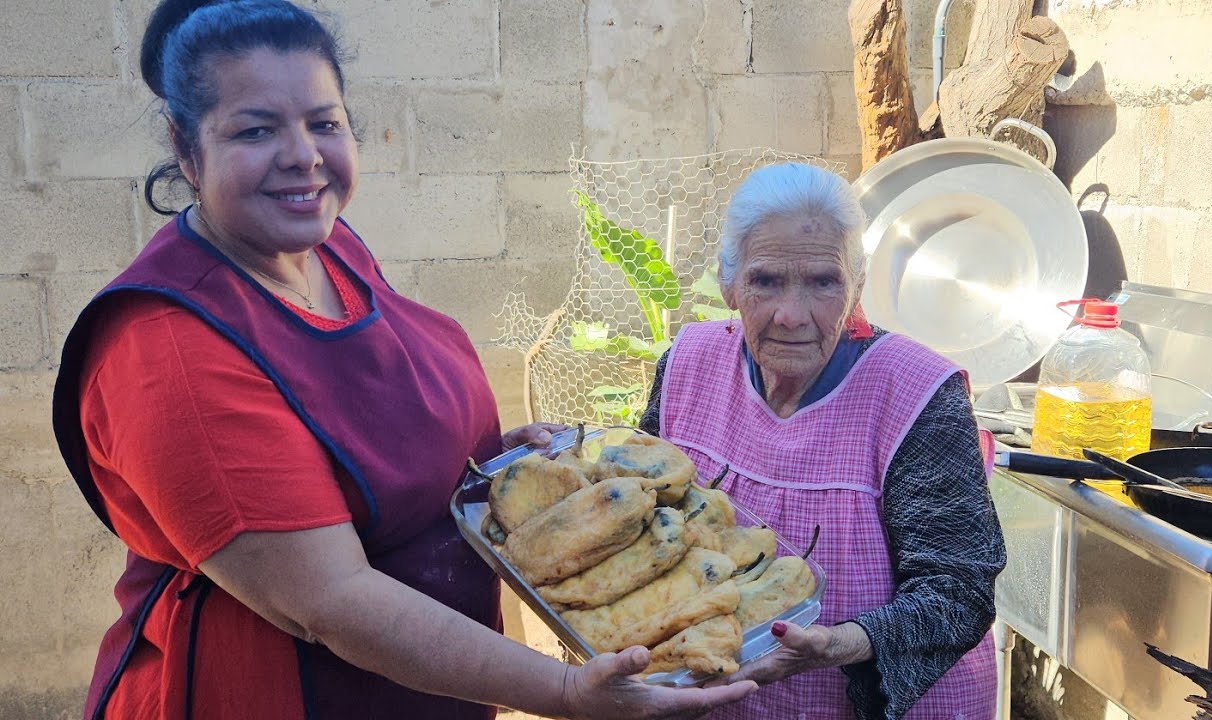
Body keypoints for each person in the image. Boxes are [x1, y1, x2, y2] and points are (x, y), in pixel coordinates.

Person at [50, 1, 755, 718]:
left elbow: (360, 434)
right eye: (256, 130)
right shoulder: (167, 346)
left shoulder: (325, 248)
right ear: (185, 146)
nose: (303, 154)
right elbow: (329, 602)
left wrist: (494, 468)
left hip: (428, 687)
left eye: (323, 122)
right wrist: (568, 692)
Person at [638, 162, 1006, 720]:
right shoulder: (688, 364)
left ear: (855, 288)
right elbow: (644, 516)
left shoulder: (914, 394)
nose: (791, 315)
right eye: (765, 281)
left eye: (822, 282)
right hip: (714, 697)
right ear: (729, 284)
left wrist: (838, 644)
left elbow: (959, 592)